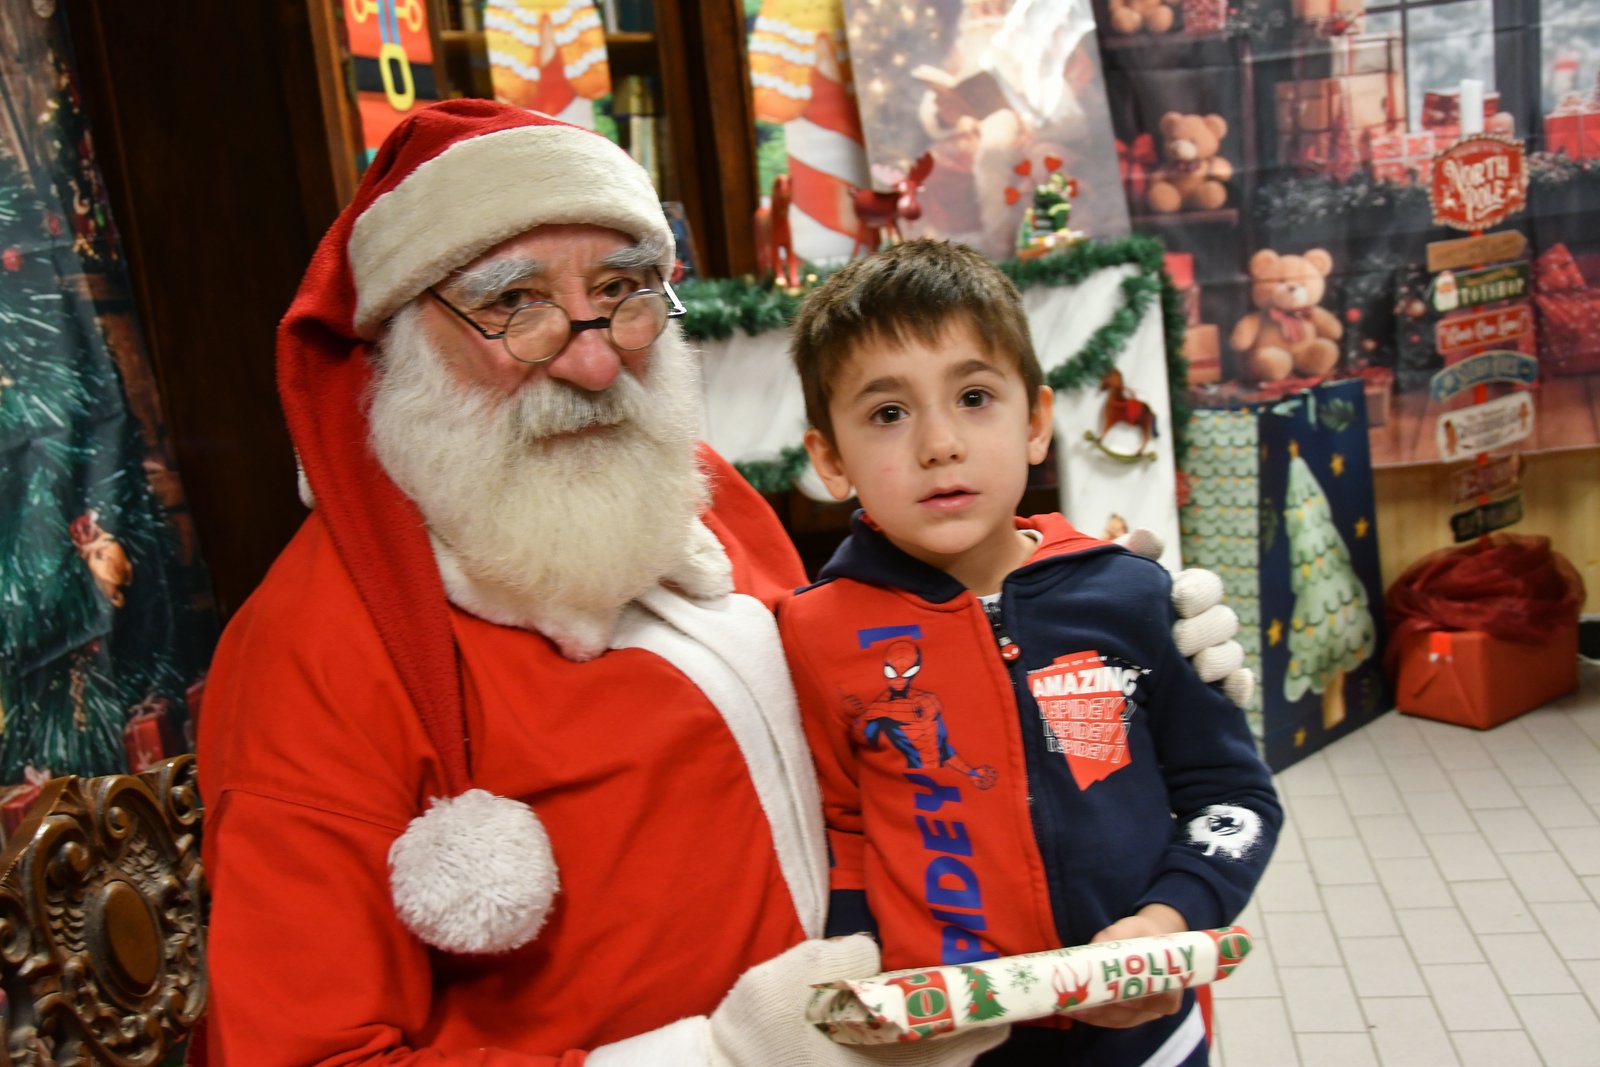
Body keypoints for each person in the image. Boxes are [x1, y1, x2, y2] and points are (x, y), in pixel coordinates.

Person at [197, 99, 1245, 1064]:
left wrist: (1113, 643)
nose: (594, 362)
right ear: (397, 346)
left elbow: (884, 703)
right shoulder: (314, 654)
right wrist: (726, 1057)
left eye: (621, 293)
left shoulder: (689, 492)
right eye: (513, 304)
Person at [780, 238, 1282, 1066]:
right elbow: (842, 833)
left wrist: (1165, 922)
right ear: (831, 458)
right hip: (951, 1048)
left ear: (1037, 422)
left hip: (1150, 1039)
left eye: (975, 396)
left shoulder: (1130, 597)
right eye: (888, 413)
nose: (940, 443)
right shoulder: (814, 631)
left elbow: (1235, 798)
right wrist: (860, 982)